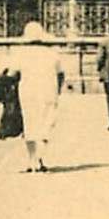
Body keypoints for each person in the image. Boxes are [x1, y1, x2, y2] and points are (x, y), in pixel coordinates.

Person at [14, 21, 65, 173]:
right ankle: (40, 159)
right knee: (46, 125)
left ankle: (31, 161)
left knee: (29, 124)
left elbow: (11, 73)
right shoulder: (52, 53)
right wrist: (58, 89)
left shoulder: (21, 53)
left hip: (28, 92)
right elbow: (61, 74)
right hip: (49, 92)